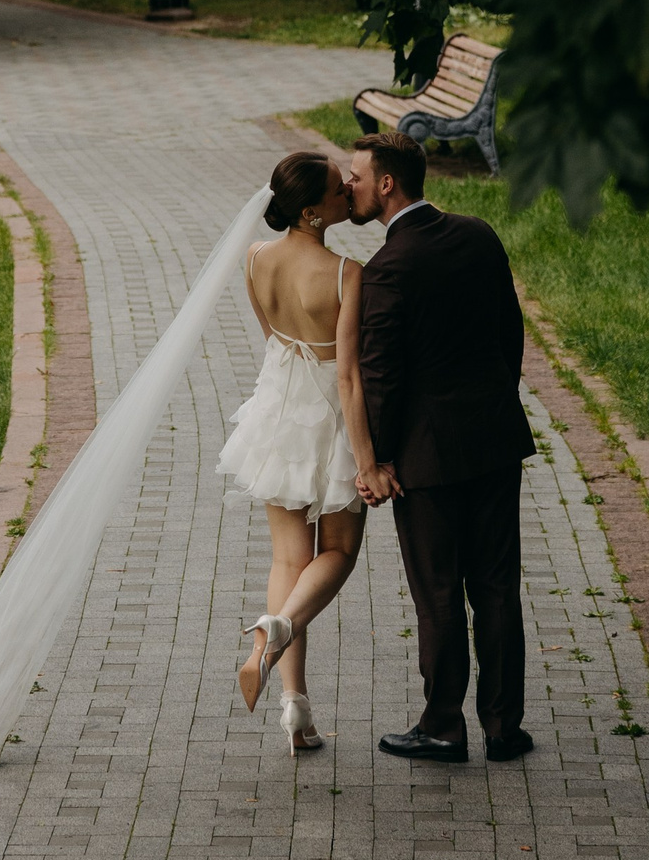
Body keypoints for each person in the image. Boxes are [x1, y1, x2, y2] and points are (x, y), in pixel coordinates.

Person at [341, 129, 537, 765]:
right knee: (497, 587)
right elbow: (511, 332)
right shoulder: (478, 234)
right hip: (495, 441)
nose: (349, 185)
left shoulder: (388, 269)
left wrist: (377, 460)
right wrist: (494, 402)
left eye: (356, 176)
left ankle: (444, 727)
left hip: (426, 460)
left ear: (387, 183)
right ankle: (504, 728)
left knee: (440, 594)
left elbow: (380, 376)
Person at [218, 151, 377, 752]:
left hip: (277, 413)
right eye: (338, 190)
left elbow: (275, 341)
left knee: (289, 561)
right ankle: (275, 632)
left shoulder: (256, 257)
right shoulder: (345, 273)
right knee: (338, 552)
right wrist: (366, 459)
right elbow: (349, 378)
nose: (348, 194)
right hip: (330, 419)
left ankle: (295, 707)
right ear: (311, 211)